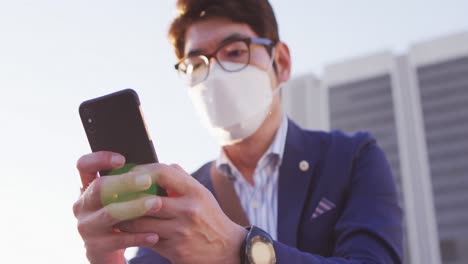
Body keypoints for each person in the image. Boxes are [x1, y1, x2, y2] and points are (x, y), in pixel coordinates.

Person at [73, 0, 403, 263]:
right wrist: (109, 258)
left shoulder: (350, 158)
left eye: (235, 52)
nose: (216, 74)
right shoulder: (180, 195)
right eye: (197, 65)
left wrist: (235, 249)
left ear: (282, 62)